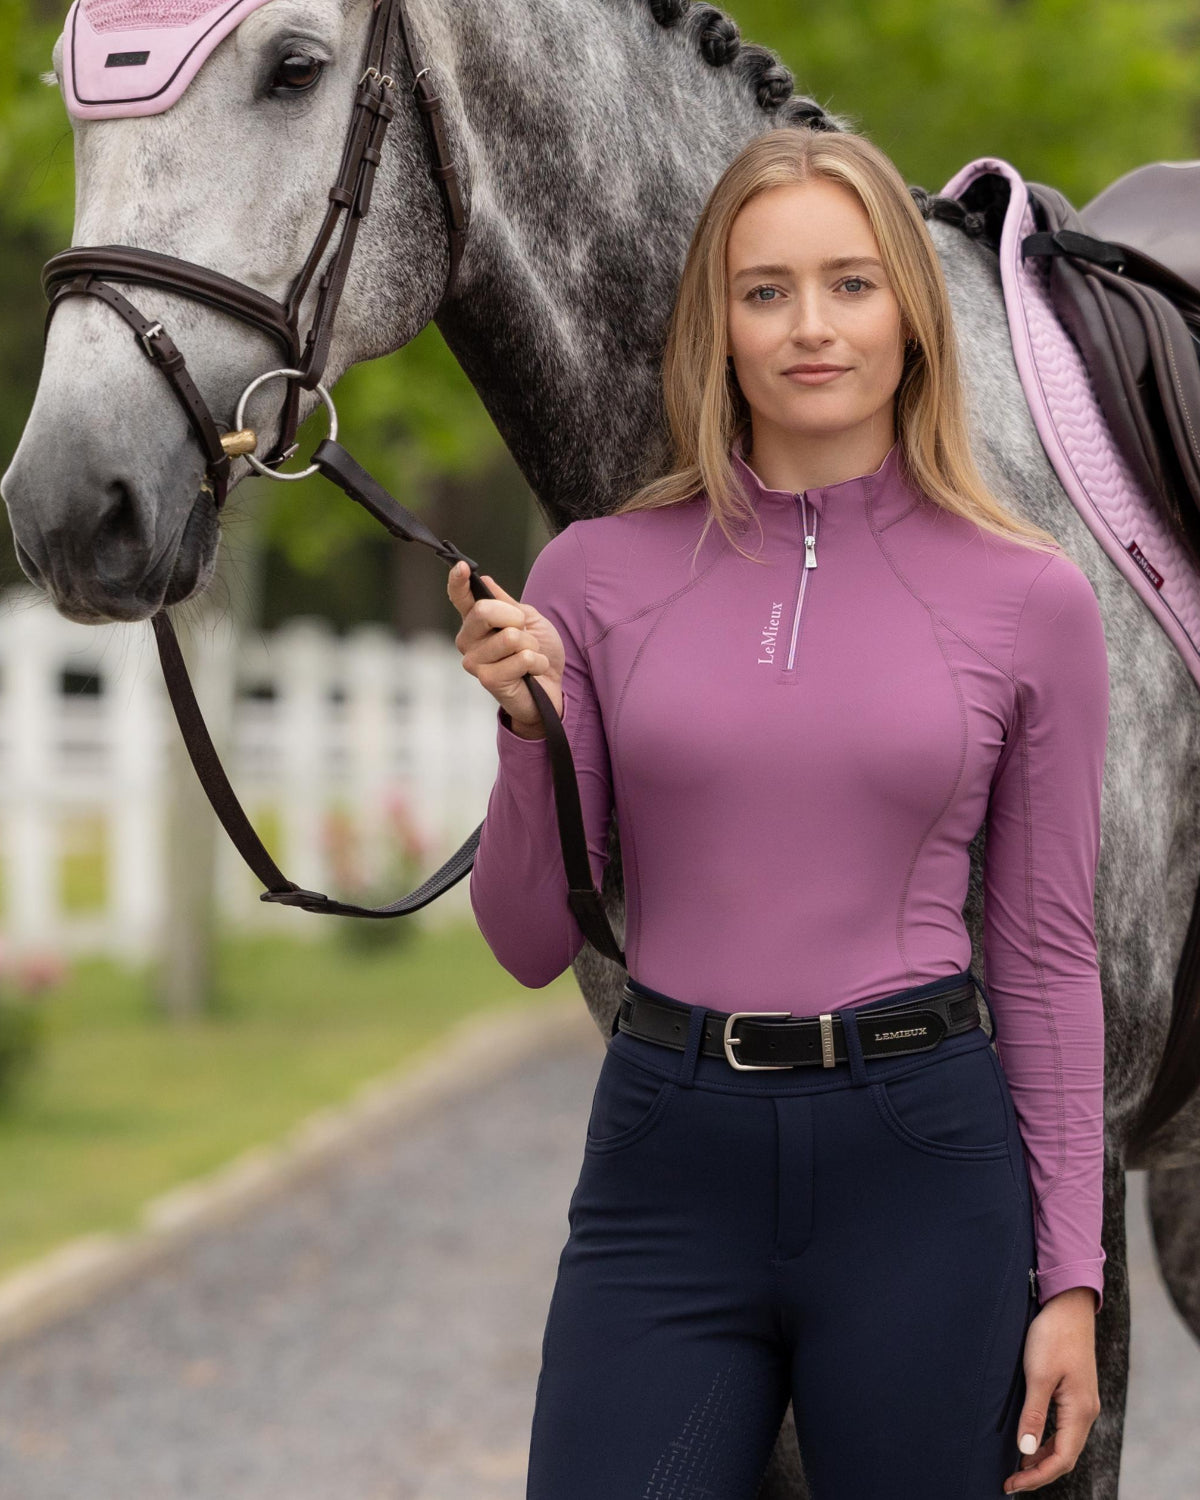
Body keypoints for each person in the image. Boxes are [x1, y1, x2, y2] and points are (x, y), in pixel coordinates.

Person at [448, 127, 1107, 1499]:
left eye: (852, 284)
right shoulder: (595, 574)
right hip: (664, 1163)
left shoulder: (1028, 598)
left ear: (914, 317)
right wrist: (531, 734)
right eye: (766, 291)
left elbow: (1047, 959)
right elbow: (524, 938)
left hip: (923, 1167)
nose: (811, 326)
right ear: (718, 326)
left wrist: (1073, 1282)